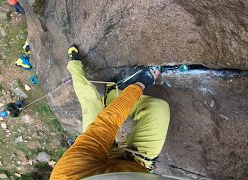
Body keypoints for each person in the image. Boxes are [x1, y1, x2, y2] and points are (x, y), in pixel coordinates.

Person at [50, 45, 170, 179]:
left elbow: (107, 123)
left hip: (95, 160)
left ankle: (74, 65)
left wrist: (139, 85)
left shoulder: (66, 174)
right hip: (133, 166)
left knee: (90, 101)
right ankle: (115, 97)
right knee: (159, 108)